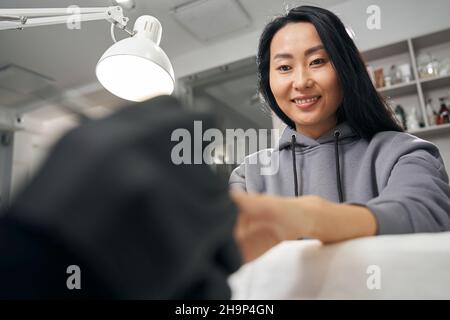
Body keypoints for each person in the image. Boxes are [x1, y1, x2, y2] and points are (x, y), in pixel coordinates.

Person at [229, 5, 450, 263]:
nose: (300, 82)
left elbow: (426, 212)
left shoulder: (404, 152)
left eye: (317, 61)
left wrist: (309, 217)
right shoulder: (249, 175)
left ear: (346, 68)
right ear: (268, 81)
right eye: (284, 67)